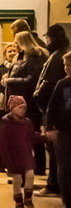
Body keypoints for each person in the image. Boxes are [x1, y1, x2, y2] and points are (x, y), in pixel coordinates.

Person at [4, 30, 48, 183]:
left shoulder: (33, 58)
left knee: (25, 139)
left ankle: (28, 172)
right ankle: (29, 170)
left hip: (27, 104)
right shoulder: (22, 57)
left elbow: (31, 80)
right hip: (20, 103)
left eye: (16, 43)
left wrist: (10, 81)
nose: (14, 46)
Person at [34, 25, 69, 196]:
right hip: (61, 114)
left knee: (56, 153)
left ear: (51, 38)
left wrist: (37, 97)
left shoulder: (55, 57)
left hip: (54, 113)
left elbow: (47, 84)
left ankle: (53, 185)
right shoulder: (63, 52)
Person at [0, 95, 38, 208]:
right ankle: (18, 201)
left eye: (24, 108)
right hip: (13, 157)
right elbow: (2, 143)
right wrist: (5, 160)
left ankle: (28, 197)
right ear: (13, 109)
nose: (23, 110)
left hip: (26, 155)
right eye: (20, 108)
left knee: (30, 174)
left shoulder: (27, 123)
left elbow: (32, 137)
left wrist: (46, 137)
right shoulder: (6, 123)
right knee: (17, 179)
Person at [44, 51, 71, 208]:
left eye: (69, 65)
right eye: (65, 65)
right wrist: (50, 127)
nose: (67, 68)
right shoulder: (62, 84)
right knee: (64, 166)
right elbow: (52, 107)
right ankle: (68, 202)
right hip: (64, 131)